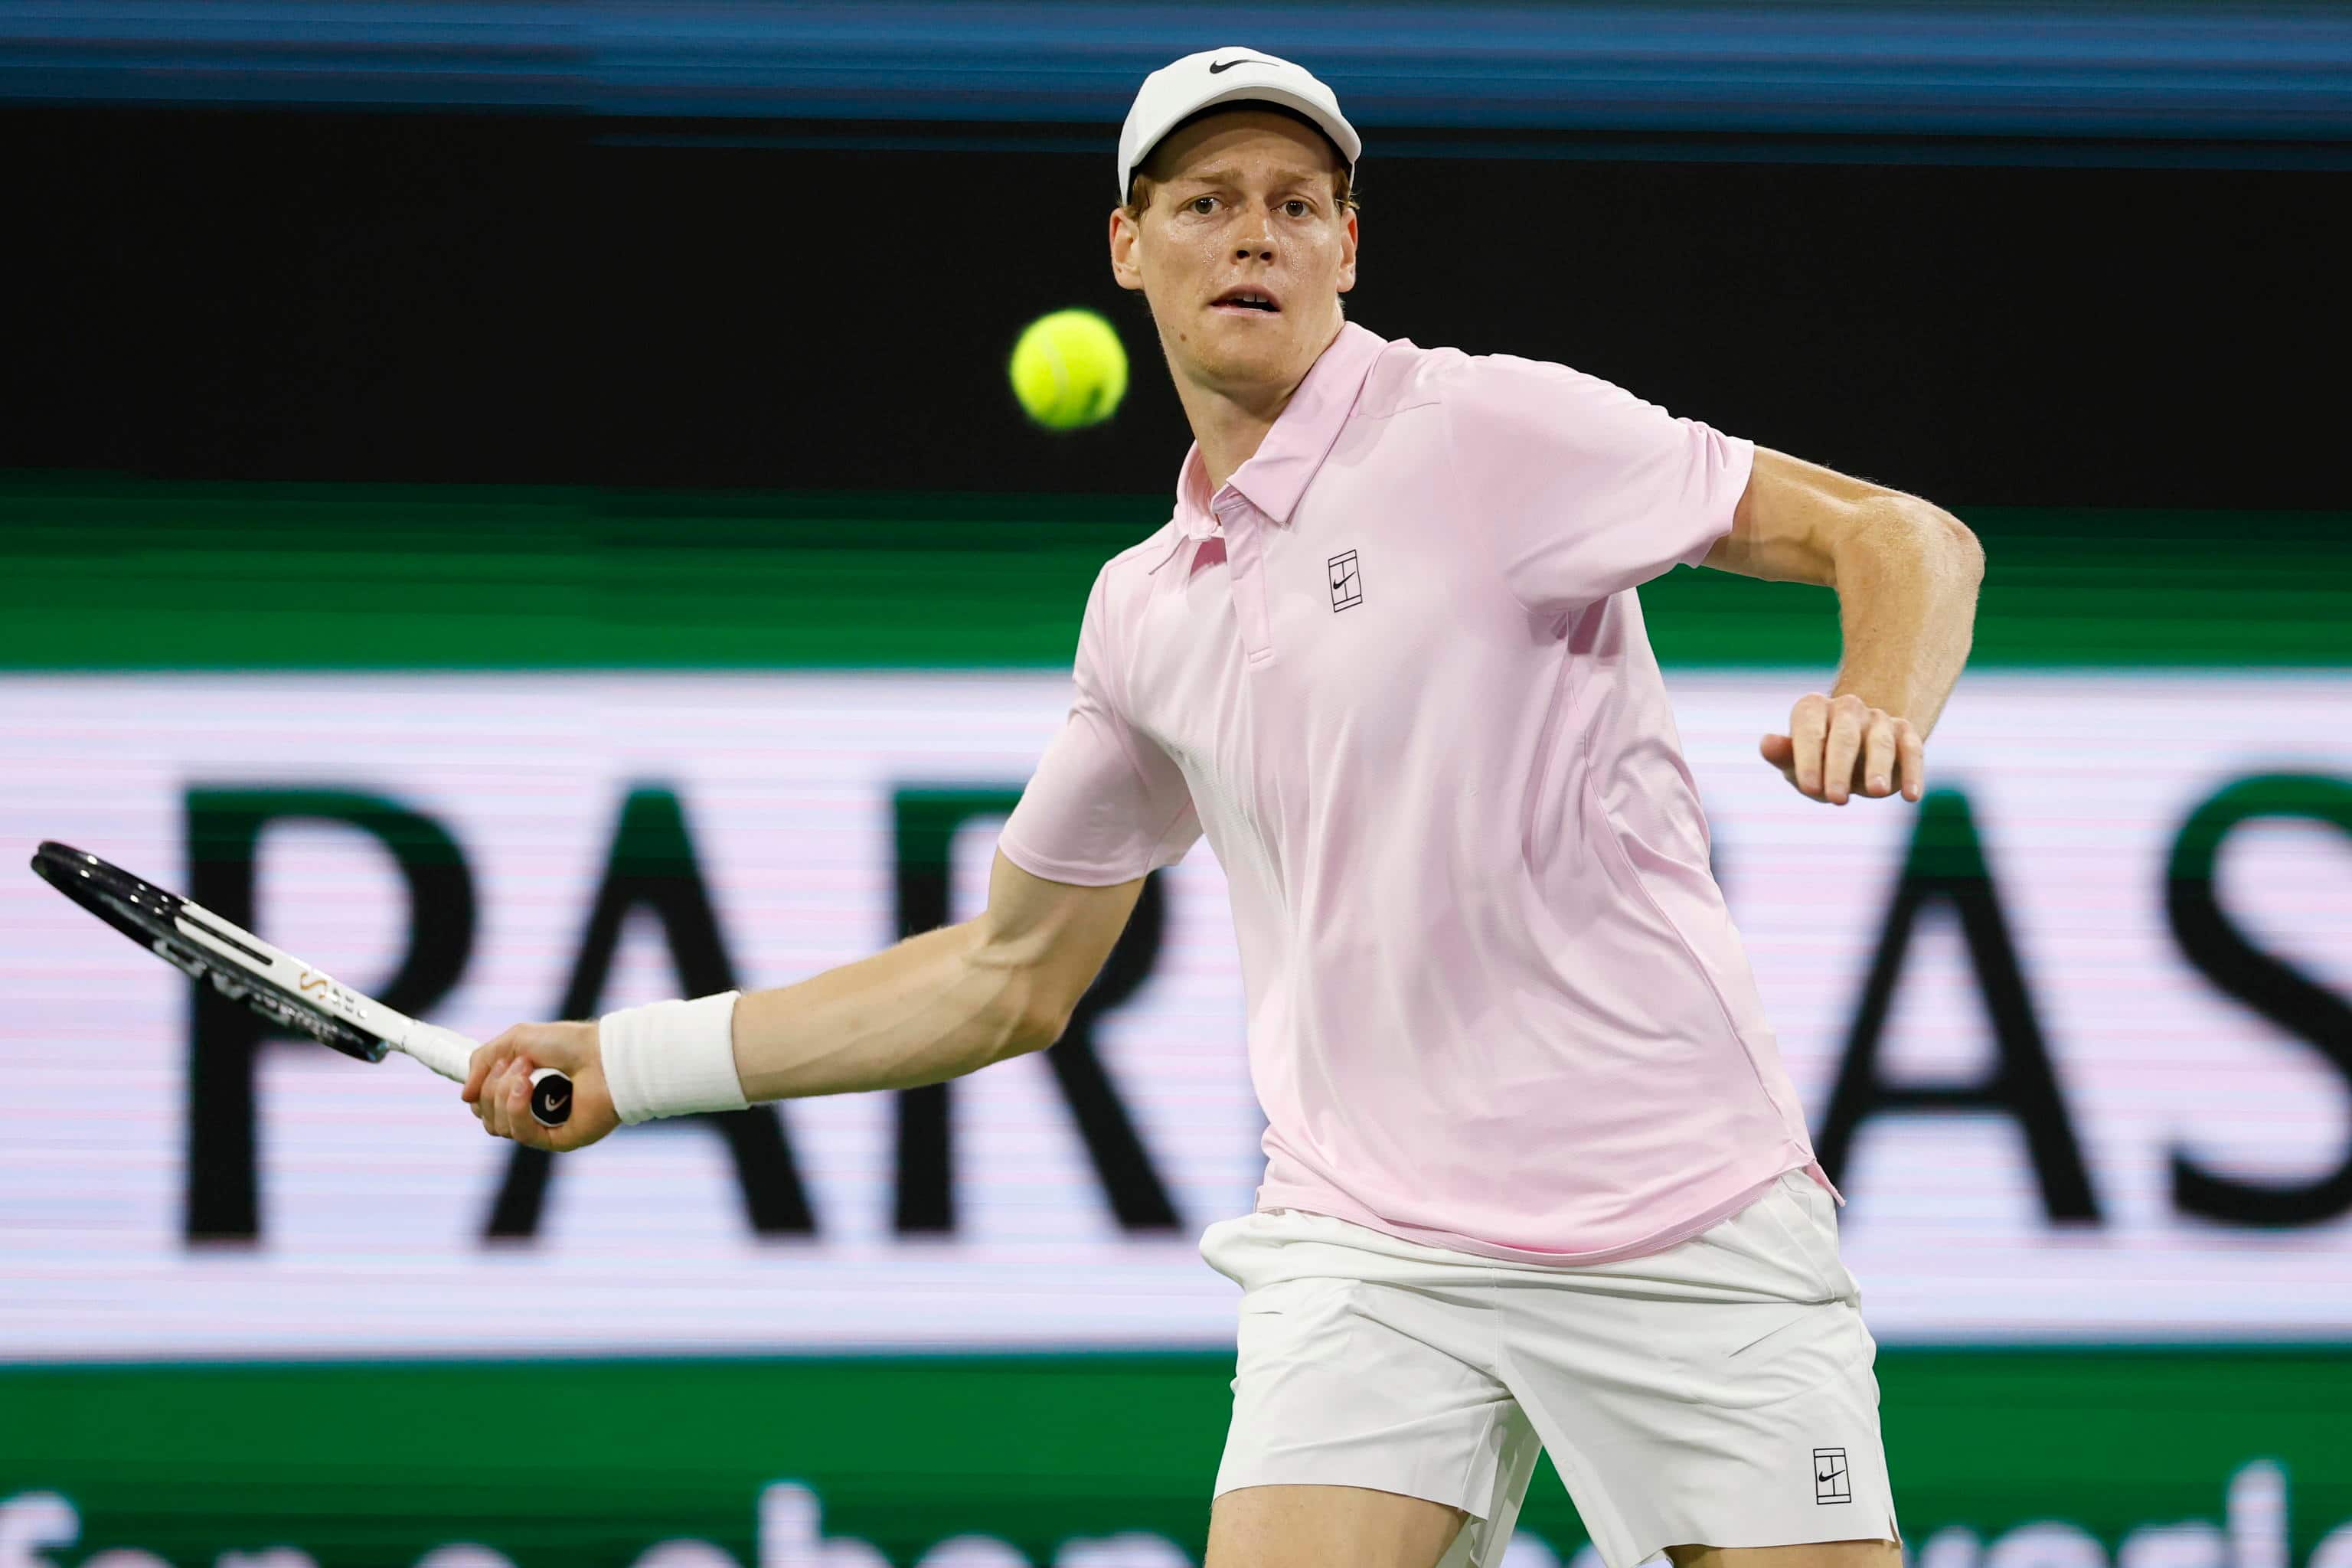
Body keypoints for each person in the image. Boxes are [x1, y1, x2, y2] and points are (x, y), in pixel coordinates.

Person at [464, 45, 1982, 1568]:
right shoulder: (1145, 611)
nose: (1254, 233)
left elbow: (1903, 537)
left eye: (1296, 203)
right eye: (1204, 201)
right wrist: (634, 1061)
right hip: (1369, 1239)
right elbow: (1011, 975)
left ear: (1347, 247)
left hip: (1677, 1210)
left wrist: (1879, 700)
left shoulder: (1487, 432)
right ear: (1129, 247)